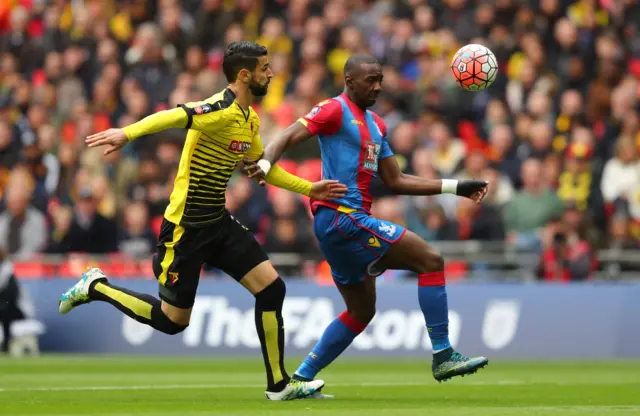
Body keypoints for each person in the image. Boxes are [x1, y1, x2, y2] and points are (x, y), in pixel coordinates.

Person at [57, 41, 347, 401]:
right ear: (245, 75)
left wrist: (310, 190)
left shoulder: (249, 118)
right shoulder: (220, 108)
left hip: (218, 222)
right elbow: (175, 115)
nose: (271, 73)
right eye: (265, 68)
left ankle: (279, 385)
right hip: (186, 229)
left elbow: (261, 170)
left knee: (273, 289)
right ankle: (96, 285)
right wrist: (126, 133)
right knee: (173, 322)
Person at [244, 54, 489, 388]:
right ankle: (443, 355)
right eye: (370, 80)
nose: (377, 87)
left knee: (361, 312)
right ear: (349, 81)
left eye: (380, 79)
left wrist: (456, 186)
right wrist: (267, 164)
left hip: (341, 225)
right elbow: (286, 135)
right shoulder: (333, 109)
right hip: (343, 217)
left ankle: (300, 379)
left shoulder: (377, 124)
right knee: (430, 261)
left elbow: (396, 180)